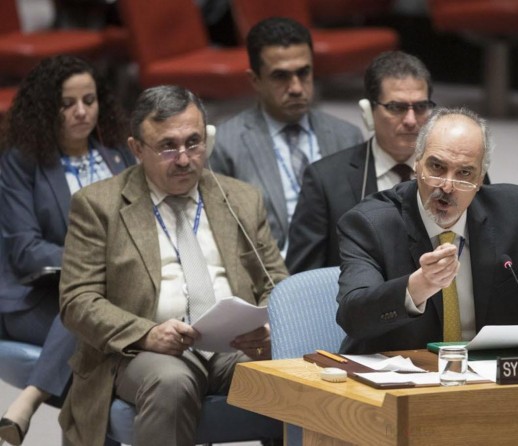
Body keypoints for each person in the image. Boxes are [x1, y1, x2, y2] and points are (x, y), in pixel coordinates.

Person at [58, 85, 288, 446]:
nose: (184, 159)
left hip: (234, 348)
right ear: (137, 149)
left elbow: (277, 281)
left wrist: (270, 326)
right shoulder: (98, 205)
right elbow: (77, 300)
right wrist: (145, 333)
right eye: (168, 146)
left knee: (298, 376)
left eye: (193, 143)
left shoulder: (240, 198)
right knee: (171, 382)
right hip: (144, 352)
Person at [336, 107, 518, 355]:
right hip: (400, 377)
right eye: (437, 167)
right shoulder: (370, 223)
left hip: (487, 378)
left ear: (480, 179)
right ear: (417, 163)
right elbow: (353, 315)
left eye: (464, 173)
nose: (447, 186)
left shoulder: (513, 213)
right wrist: (417, 287)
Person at [0, 55, 135, 446]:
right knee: (94, 317)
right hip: (37, 298)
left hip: (116, 292)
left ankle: (29, 400)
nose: (81, 112)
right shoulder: (21, 163)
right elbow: (26, 250)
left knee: (100, 316)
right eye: (67, 103)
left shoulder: (118, 154)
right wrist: (95, 263)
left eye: (89, 101)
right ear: (47, 109)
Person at [209, 17, 363, 255]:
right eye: (281, 76)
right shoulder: (226, 145)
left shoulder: (347, 136)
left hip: (342, 264)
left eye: (304, 73)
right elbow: (225, 234)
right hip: (270, 268)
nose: (296, 88)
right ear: (255, 80)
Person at [285, 51, 435, 273]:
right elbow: (303, 279)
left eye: (420, 107)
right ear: (368, 112)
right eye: (397, 107)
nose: (411, 120)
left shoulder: (461, 172)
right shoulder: (325, 181)